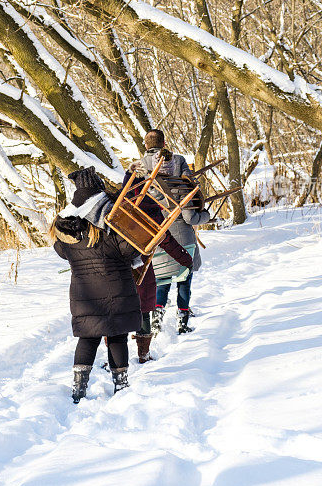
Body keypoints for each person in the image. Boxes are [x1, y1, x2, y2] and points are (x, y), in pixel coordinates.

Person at [52, 167, 143, 404]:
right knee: (117, 337)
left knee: (88, 338)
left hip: (85, 295)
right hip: (117, 292)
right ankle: (121, 384)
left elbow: (60, 250)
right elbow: (128, 250)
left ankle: (79, 387)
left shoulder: (68, 230)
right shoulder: (108, 226)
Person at [139, 130, 211, 335]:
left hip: (156, 235)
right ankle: (182, 320)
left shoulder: (140, 166)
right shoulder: (178, 161)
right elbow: (189, 207)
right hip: (182, 236)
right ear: (164, 143)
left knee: (161, 280)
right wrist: (205, 215)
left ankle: (157, 319)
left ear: (146, 145)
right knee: (183, 280)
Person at [121, 170, 193, 362]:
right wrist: (185, 259)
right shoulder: (149, 208)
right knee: (143, 309)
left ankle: (116, 358)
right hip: (140, 269)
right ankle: (143, 354)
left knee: (118, 311)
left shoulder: (118, 207)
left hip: (116, 269)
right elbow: (165, 240)